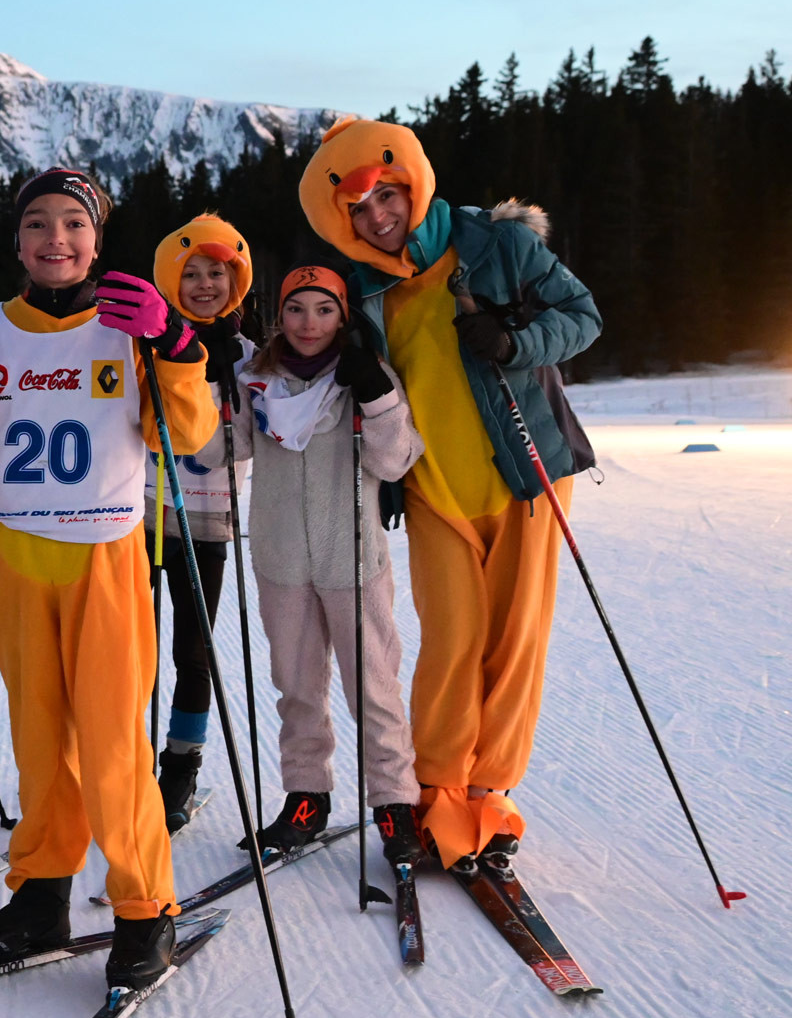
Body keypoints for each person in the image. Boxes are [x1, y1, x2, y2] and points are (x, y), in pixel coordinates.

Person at [0, 168, 217, 995]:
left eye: (74, 223)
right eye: (37, 224)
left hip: (105, 556)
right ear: (18, 242)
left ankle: (145, 908)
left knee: (110, 746)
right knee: (39, 740)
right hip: (20, 556)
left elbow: (187, 428)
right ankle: (42, 894)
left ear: (96, 240)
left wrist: (174, 347)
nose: (55, 239)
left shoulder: (129, 323)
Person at [298, 117, 601, 871]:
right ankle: (438, 792)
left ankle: (490, 794)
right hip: (435, 490)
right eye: (357, 209)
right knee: (451, 644)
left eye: (385, 195)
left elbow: (582, 317)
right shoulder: (363, 287)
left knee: (514, 643)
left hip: (524, 477)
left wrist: (514, 340)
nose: (376, 217)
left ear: (411, 183)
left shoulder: (498, 244)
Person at [198, 266, 425, 862]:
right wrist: (213, 385)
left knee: (373, 686)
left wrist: (376, 395)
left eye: (324, 310)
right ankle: (306, 797)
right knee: (296, 687)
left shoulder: (363, 376)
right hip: (280, 557)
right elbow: (219, 452)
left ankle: (395, 802)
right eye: (296, 309)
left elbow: (397, 460)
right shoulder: (257, 378)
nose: (309, 323)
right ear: (281, 317)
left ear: (343, 317)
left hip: (352, 555)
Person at [139, 215, 254, 832]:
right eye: (192, 274)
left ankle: (180, 765)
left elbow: (257, 441)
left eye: (218, 273)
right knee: (131, 652)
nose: (205, 284)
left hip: (206, 523)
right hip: (140, 518)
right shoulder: (145, 344)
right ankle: (121, 763)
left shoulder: (247, 356)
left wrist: (236, 383)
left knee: (193, 651)